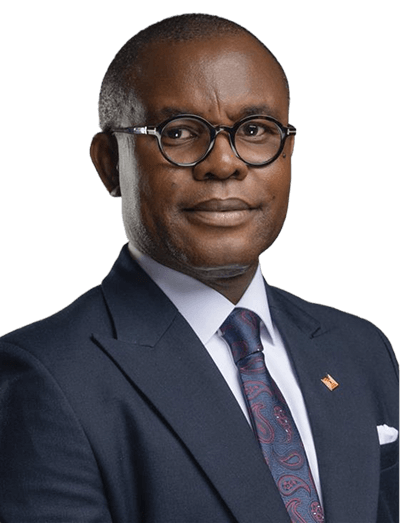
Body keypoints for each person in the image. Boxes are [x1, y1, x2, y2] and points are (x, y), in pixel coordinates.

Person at [0, 13, 398, 523]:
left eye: (254, 130)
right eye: (181, 132)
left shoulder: (361, 348)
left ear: (289, 153)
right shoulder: (45, 377)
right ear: (109, 163)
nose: (225, 163)